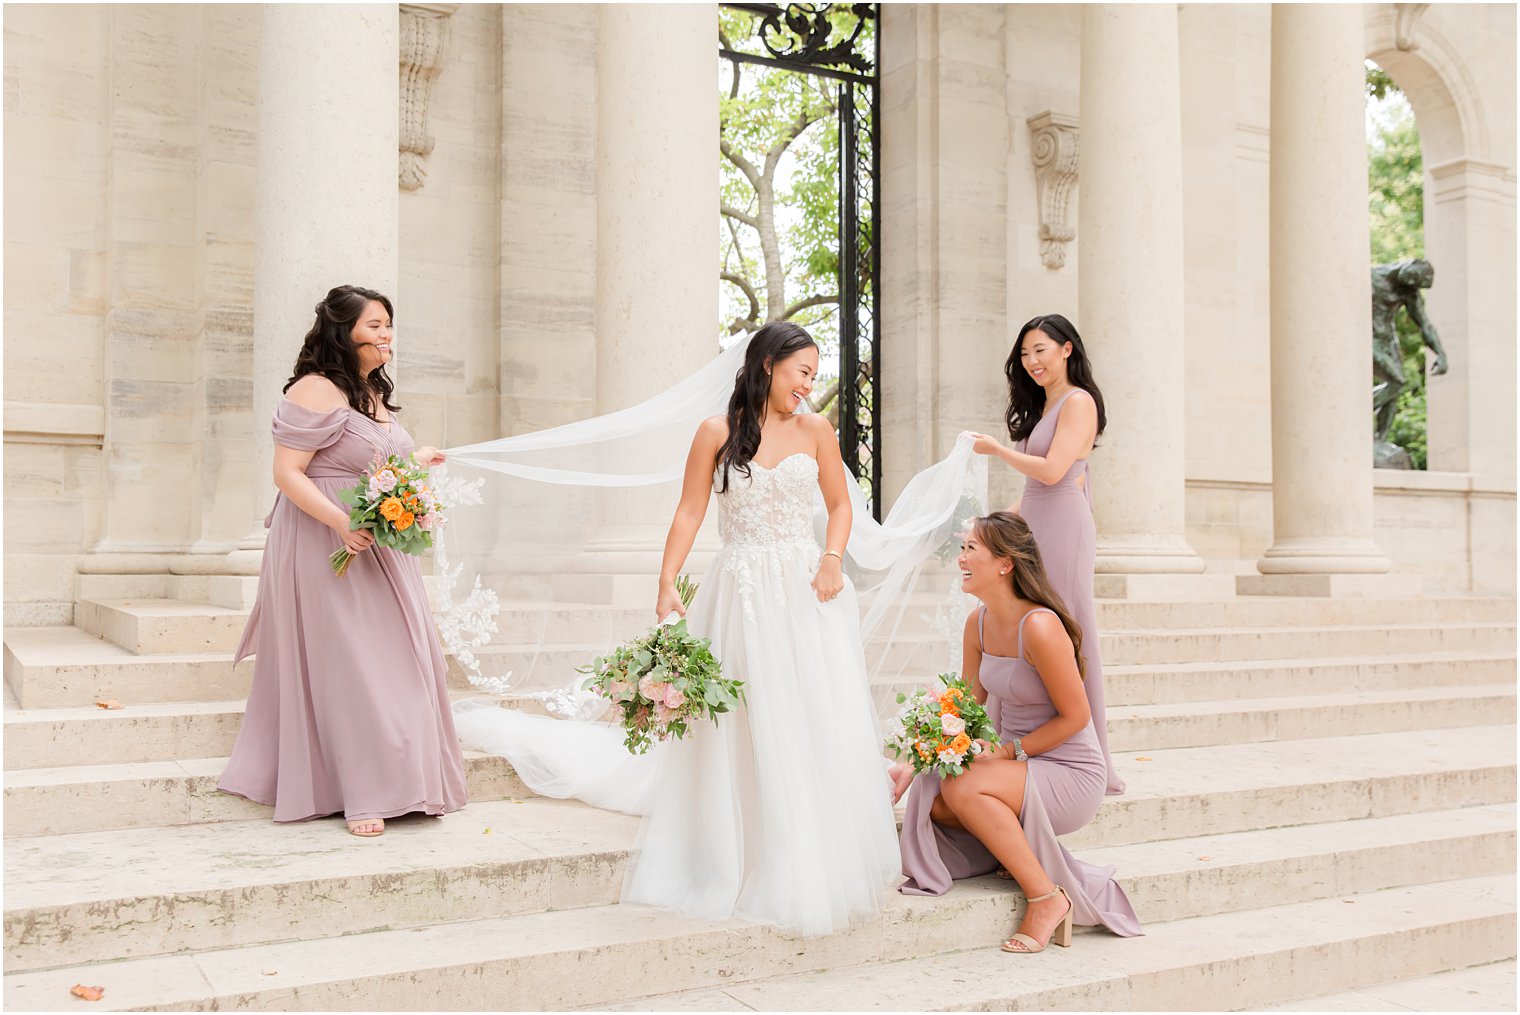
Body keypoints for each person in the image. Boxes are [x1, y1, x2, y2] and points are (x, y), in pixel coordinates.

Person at [454, 321, 901, 936]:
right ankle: (735, 835)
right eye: (803, 372)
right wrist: (666, 580)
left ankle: (808, 836)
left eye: (814, 375)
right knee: (744, 711)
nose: (809, 386)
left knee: (808, 709)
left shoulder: (818, 430)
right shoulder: (716, 433)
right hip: (740, 589)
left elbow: (842, 503)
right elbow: (690, 509)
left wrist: (830, 559)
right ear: (769, 365)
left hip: (805, 588)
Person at [218, 284, 468, 837]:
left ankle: (405, 779)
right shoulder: (314, 389)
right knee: (353, 667)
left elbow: (376, 463)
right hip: (325, 540)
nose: (386, 335)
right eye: (374, 325)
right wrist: (341, 523)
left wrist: (416, 463)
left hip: (380, 545)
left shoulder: (371, 394)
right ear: (343, 330)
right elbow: (287, 474)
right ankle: (361, 794)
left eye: (389, 325)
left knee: (399, 661)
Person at [898, 511, 1141, 951]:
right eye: (962, 548)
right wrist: (910, 764)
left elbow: (1076, 716)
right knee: (934, 793)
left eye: (972, 549)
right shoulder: (978, 622)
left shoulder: (1042, 626)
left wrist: (1009, 752)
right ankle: (1015, 852)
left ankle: (1046, 897)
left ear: (1005, 563)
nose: (962, 558)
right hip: (1017, 764)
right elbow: (966, 706)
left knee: (967, 789)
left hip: (1069, 768)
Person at [965, 313, 1123, 795]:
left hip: (1065, 527)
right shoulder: (1046, 403)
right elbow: (1036, 489)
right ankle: (1007, 735)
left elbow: (1054, 472)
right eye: (1026, 353)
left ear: (1066, 350)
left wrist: (997, 452)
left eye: (1041, 350)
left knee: (1068, 628)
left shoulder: (1078, 402)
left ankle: (1089, 754)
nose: (1032, 361)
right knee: (1017, 620)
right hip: (1035, 524)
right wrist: (995, 529)